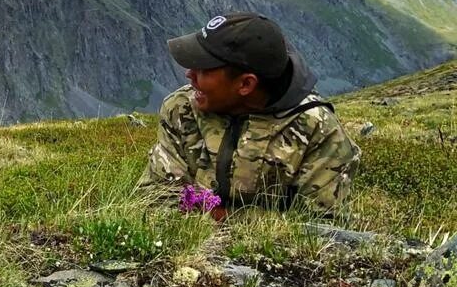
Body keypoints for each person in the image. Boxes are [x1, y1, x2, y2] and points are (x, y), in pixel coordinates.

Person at [137, 12, 360, 216]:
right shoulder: (181, 108)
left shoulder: (318, 131)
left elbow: (320, 232)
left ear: (245, 84)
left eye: (203, 69)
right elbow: (155, 199)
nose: (189, 74)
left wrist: (222, 223)